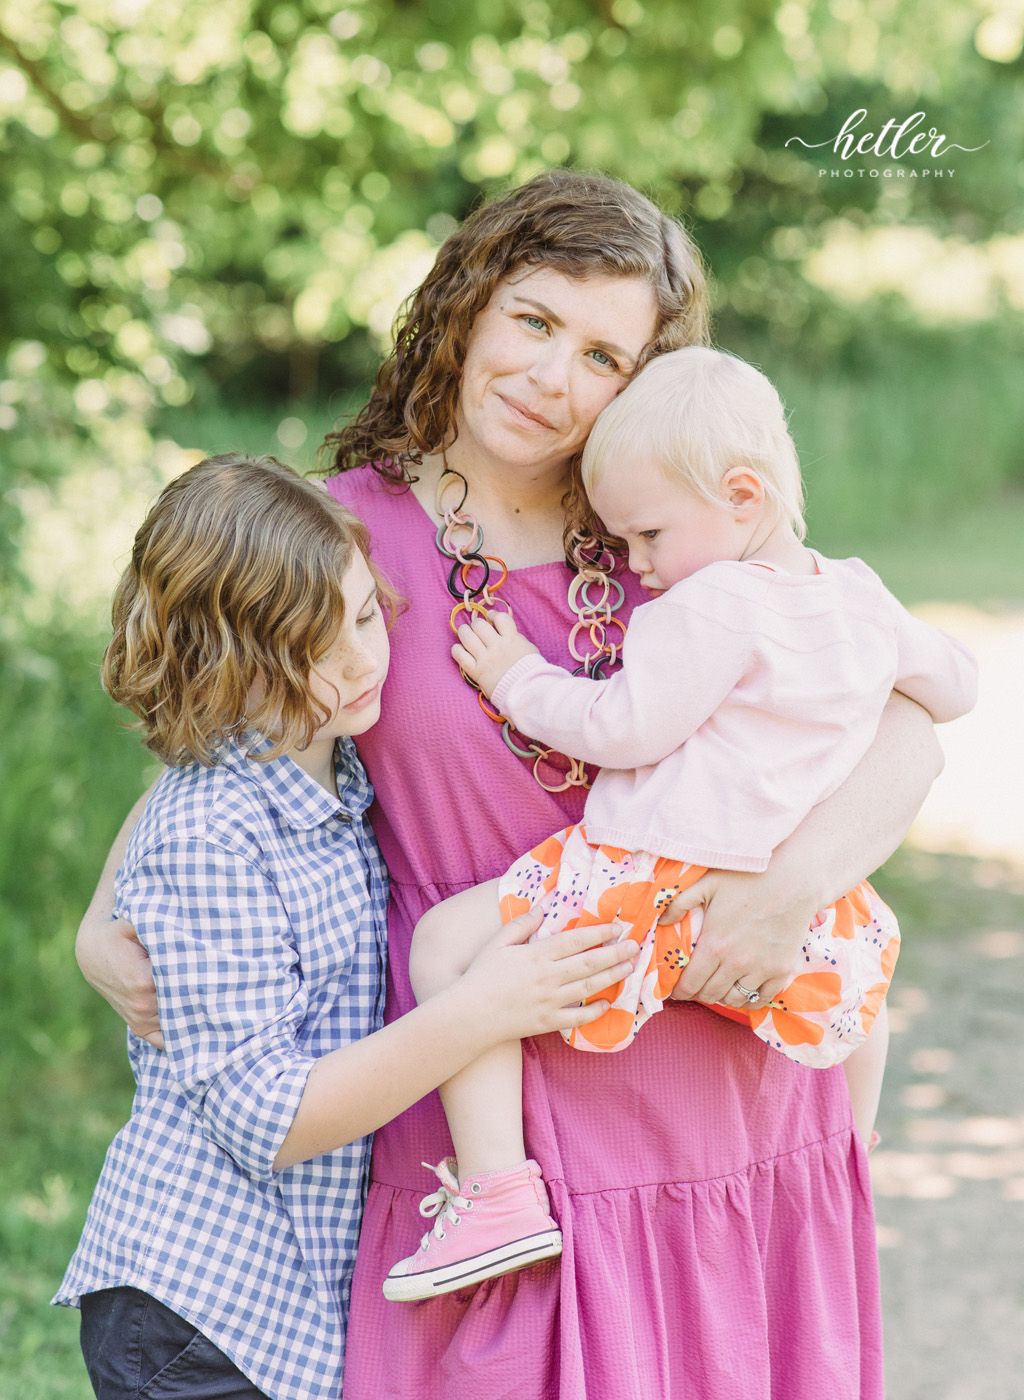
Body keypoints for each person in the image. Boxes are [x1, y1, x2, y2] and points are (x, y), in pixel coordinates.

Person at [76, 170, 949, 1400]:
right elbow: (213, 740)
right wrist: (93, 920)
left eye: (604, 354)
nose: (553, 377)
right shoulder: (337, 536)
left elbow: (904, 722)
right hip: (490, 1117)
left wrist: (790, 887)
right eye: (533, 321)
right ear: (467, 305)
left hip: (727, 1086)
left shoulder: (675, 521)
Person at [382, 347, 977, 1301]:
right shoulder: (860, 595)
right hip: (801, 896)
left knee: (452, 946)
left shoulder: (708, 606)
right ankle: (855, 1147)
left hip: (648, 873)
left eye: (650, 535)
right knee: (868, 996)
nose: (640, 566)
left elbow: (625, 728)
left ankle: (496, 1192)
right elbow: (955, 685)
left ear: (743, 497)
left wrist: (515, 678)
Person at [55, 453, 639, 1400]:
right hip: (199, 1314)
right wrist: (484, 1009)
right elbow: (266, 1119)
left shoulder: (334, 763)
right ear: (225, 667)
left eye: (365, 615)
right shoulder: (211, 833)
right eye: (313, 649)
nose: (362, 660)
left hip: (282, 1302)